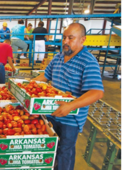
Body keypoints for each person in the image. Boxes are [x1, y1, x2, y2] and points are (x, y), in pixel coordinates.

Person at [32, 23, 104, 170]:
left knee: (64, 152)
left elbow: (96, 92)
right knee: (50, 149)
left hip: (70, 118)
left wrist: (71, 106)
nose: (65, 41)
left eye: (70, 38)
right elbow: (45, 76)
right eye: (64, 37)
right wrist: (24, 85)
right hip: (51, 113)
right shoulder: (59, 57)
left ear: (82, 40)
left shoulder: (88, 62)